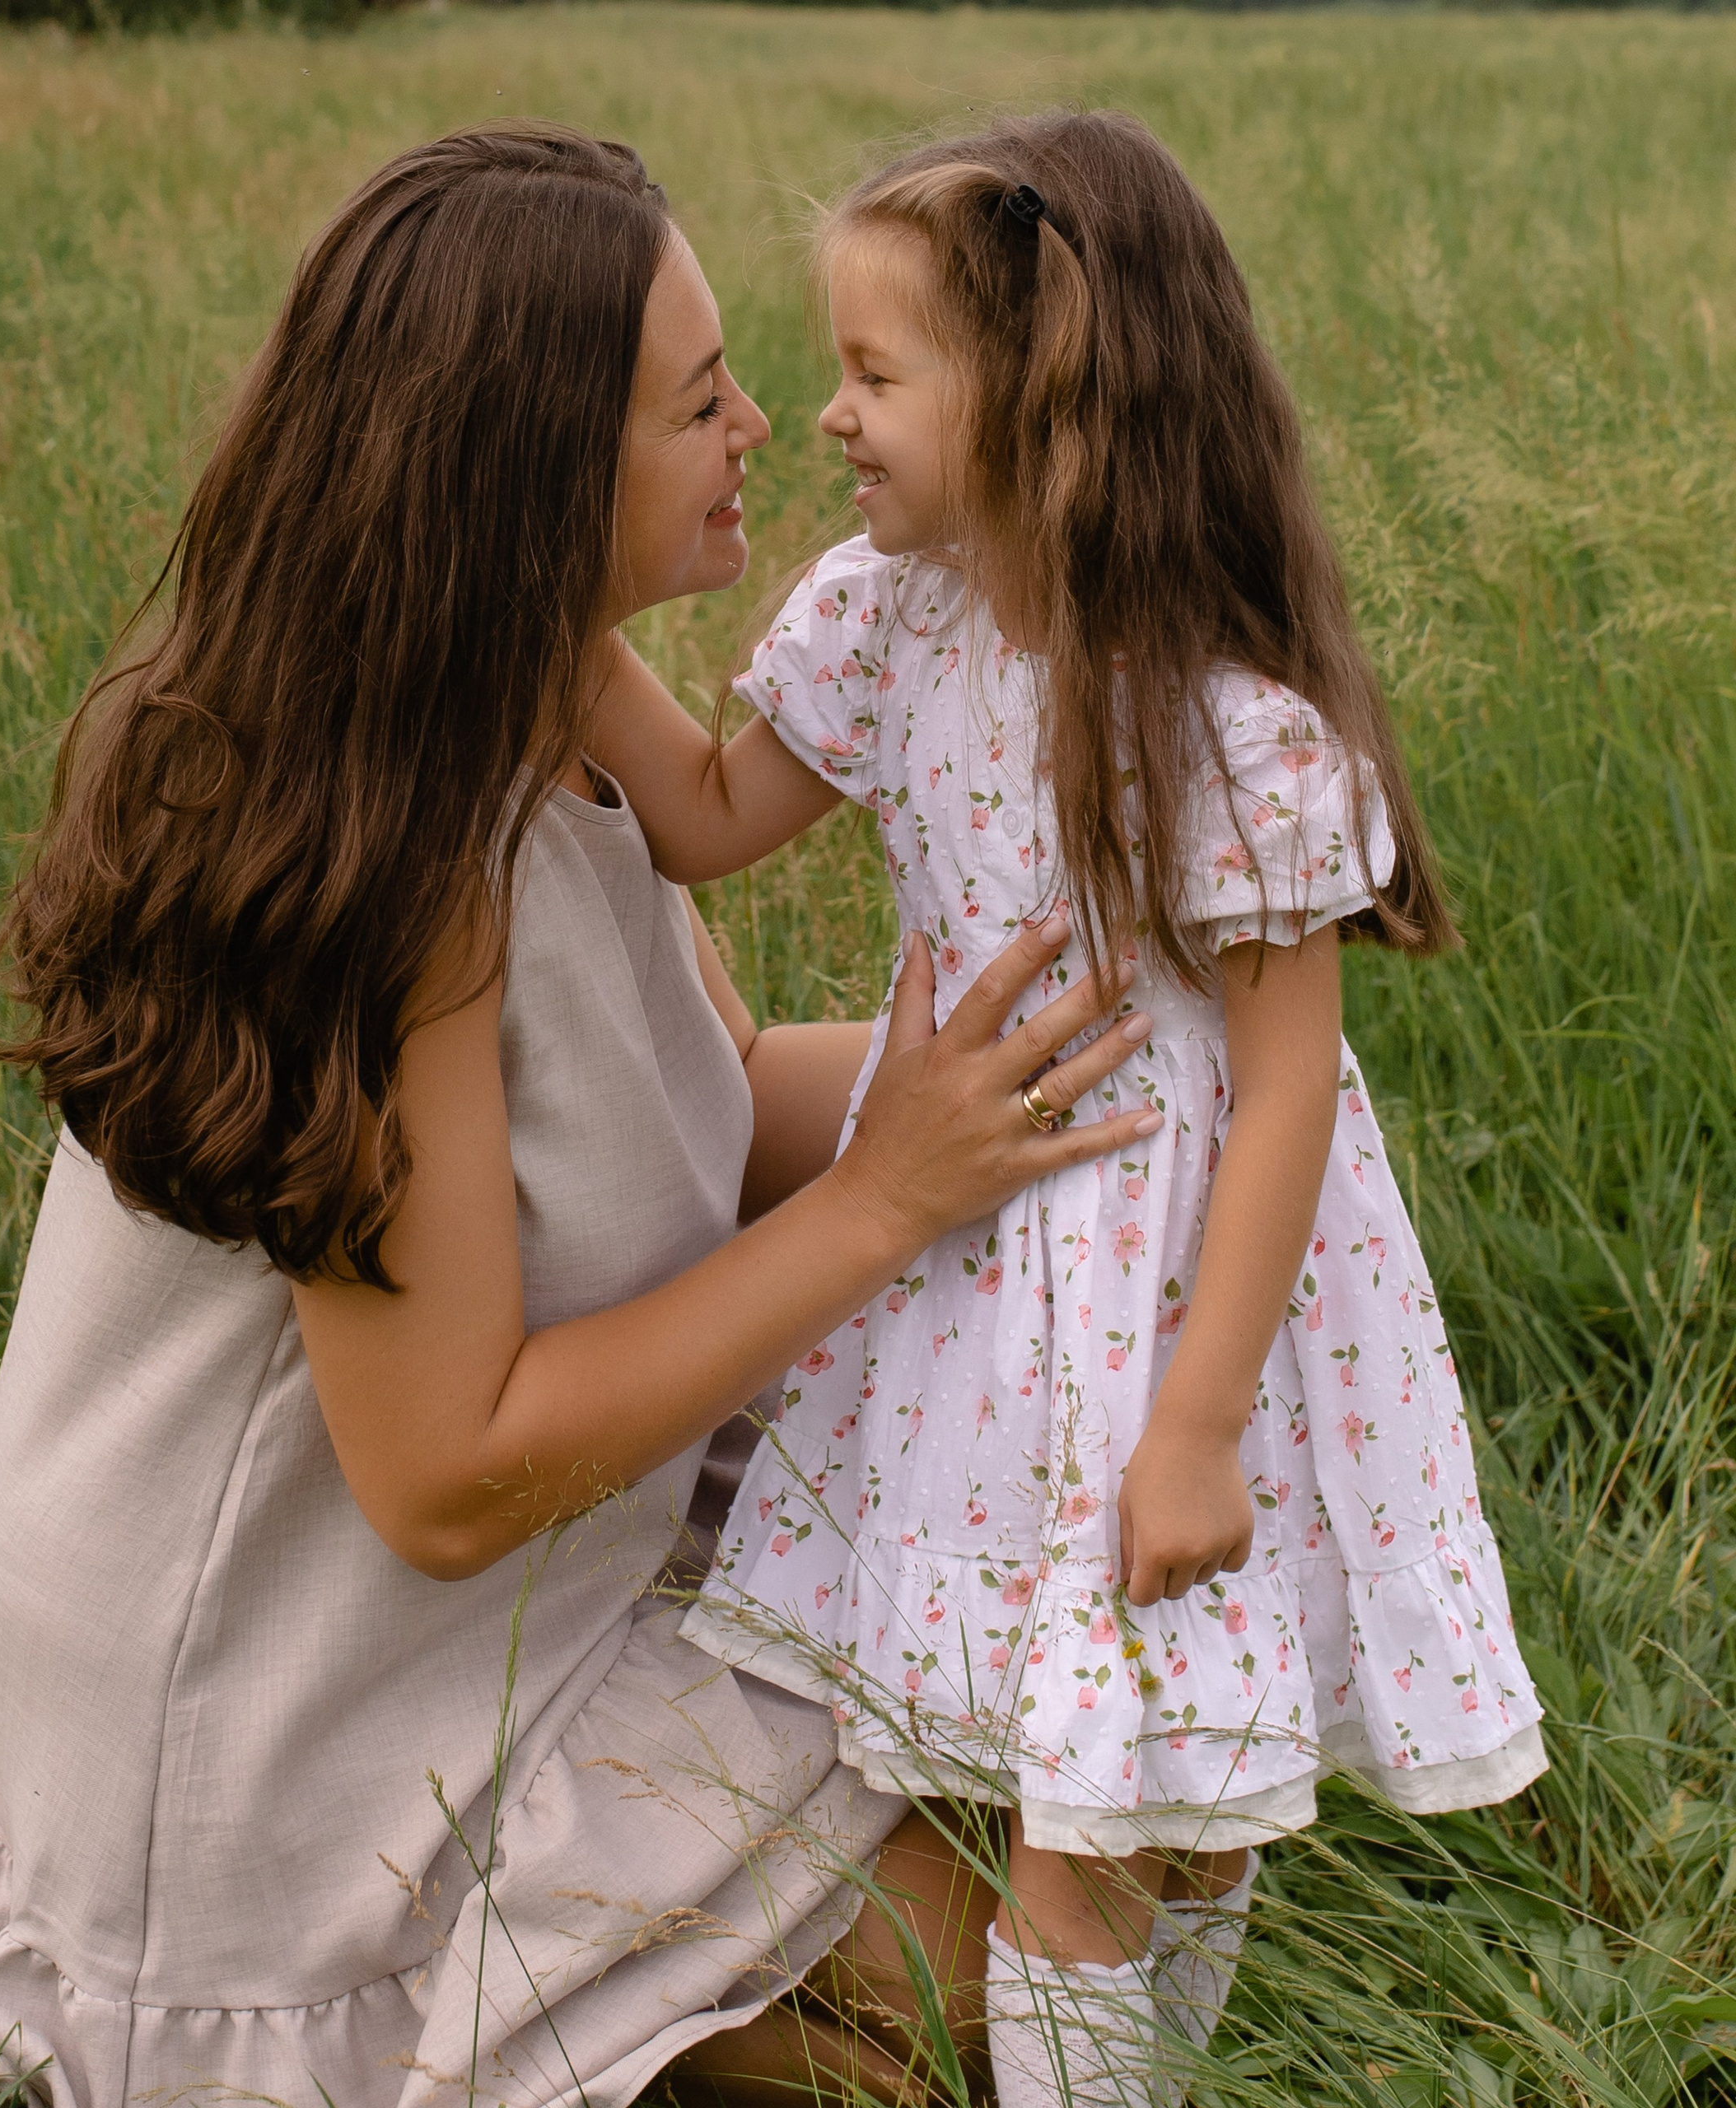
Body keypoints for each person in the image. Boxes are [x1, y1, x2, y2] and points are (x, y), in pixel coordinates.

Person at [0, 124, 1161, 2108]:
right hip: (273, 1761)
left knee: (1124, 1751)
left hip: (438, 1621)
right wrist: (885, 1199)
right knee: (1031, 1909)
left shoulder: (542, 698)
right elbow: (442, 1477)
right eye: (699, 399)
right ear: (528, 478)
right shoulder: (379, 865)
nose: (765, 424)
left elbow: (697, 1109)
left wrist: (1048, 1090)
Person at [589, 110, 1548, 2108]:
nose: (825, 419)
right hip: (971, 1282)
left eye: (872, 375)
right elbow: (699, 818)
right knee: (1082, 1798)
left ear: (1041, 395)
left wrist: (1195, 1422)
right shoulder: (886, 618)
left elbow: (1285, 1091)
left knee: (1106, 1820)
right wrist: (530, 593)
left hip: (1174, 1301)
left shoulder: (1213, 714)